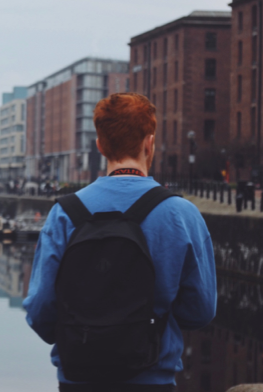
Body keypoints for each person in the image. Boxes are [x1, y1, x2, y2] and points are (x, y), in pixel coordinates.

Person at [23, 93, 217, 391]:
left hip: (78, 379)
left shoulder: (64, 213)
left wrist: (84, 333)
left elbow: (40, 310)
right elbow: (200, 311)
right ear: (149, 142)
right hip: (152, 379)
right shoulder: (182, 214)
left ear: (100, 145)